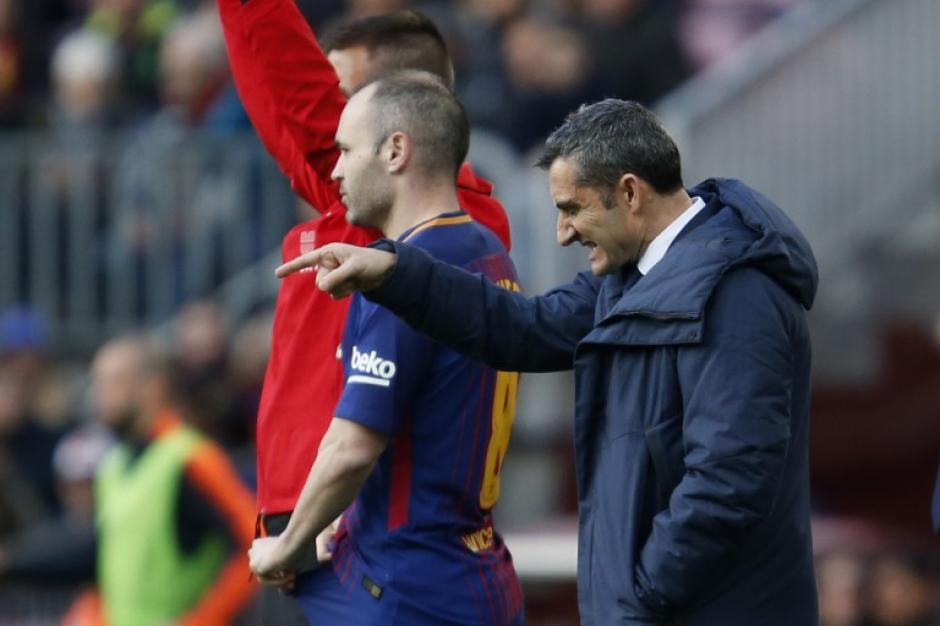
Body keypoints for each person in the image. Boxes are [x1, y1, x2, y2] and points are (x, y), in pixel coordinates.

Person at [277, 99, 821, 625]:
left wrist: (643, 594)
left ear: (629, 193)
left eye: (571, 208)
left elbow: (730, 479)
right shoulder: (635, 279)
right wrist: (394, 272)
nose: (563, 232)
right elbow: (523, 328)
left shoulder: (737, 293)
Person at [216, 2, 513, 622]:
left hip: (385, 567)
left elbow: (288, 91)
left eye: (346, 112)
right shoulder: (449, 244)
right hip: (372, 559)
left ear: (399, 138)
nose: (333, 153)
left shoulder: (423, 255)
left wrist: (301, 534)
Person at [48, 336, 258, 626]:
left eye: (112, 382)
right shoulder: (114, 465)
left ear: (152, 386)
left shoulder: (191, 457)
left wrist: (205, 619)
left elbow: (253, 541)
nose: (98, 395)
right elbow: (111, 562)